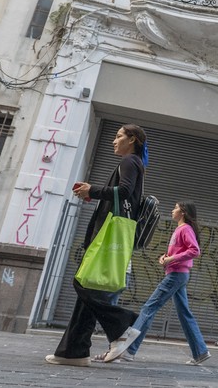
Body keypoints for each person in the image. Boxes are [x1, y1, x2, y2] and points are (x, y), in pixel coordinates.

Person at [45, 123, 149, 367]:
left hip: (108, 233)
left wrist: (93, 189)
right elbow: (124, 195)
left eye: (118, 136)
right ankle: (73, 352)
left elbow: (123, 192)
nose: (114, 141)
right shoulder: (134, 163)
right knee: (88, 291)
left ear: (132, 139)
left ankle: (123, 326)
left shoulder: (130, 161)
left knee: (81, 282)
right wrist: (93, 194)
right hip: (113, 232)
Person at [104, 201, 211, 365]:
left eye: (175, 207)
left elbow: (194, 250)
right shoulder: (179, 229)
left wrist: (171, 259)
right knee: (184, 313)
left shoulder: (185, 229)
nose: (172, 210)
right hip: (177, 273)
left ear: (183, 212)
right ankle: (200, 352)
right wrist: (165, 257)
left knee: (149, 308)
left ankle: (128, 350)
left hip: (176, 275)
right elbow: (178, 251)